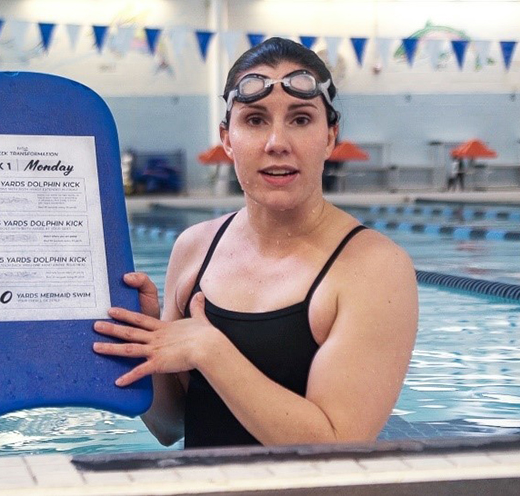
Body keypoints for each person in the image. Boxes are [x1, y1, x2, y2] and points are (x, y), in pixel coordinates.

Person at [93, 37, 418, 448]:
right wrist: (147, 343)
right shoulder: (194, 248)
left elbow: (337, 445)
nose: (276, 143)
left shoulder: (374, 267)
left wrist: (211, 351)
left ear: (330, 136)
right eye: (255, 120)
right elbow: (169, 425)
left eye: (300, 119)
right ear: (227, 139)